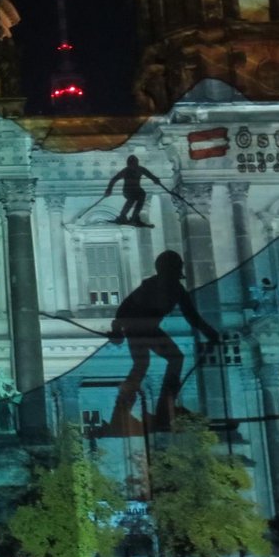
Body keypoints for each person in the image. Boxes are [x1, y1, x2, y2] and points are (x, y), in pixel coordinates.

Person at [102, 251, 220, 434]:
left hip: (145, 328)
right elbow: (125, 308)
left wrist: (211, 334)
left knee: (148, 364)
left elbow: (192, 317)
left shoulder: (175, 289)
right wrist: (118, 330)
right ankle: (159, 411)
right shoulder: (153, 286)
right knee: (159, 361)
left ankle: (158, 411)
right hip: (140, 327)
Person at [104, 155, 163, 226]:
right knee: (132, 198)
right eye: (130, 164)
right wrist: (109, 189)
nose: (132, 166)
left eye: (134, 164)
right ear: (128, 164)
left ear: (136, 163)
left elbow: (150, 175)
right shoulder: (126, 171)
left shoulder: (140, 169)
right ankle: (122, 216)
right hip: (128, 190)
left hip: (137, 189)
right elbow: (114, 179)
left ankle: (134, 217)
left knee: (142, 194)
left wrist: (155, 179)